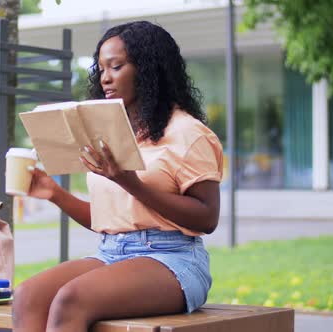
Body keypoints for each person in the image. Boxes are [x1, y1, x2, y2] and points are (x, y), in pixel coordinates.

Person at [12, 21, 223, 332]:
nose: (106, 78)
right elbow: (111, 220)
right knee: (28, 296)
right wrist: (53, 193)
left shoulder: (187, 133)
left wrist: (130, 182)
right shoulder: (111, 133)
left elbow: (207, 218)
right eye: (100, 69)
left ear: (148, 69)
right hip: (110, 252)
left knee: (70, 299)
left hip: (174, 259)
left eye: (116, 66)